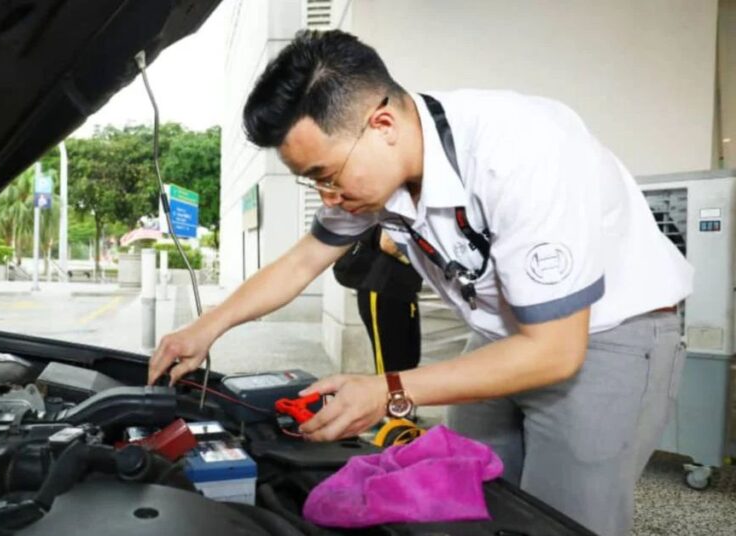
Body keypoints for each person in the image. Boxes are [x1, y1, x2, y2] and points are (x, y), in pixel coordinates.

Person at [147, 29, 692, 535]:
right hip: (501, 337)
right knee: (471, 498)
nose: (328, 198)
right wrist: (204, 328)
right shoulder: (375, 173)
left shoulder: (524, 150)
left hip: (604, 342)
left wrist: (387, 392)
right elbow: (303, 260)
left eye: (326, 176)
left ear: (381, 126)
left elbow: (555, 352)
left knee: (559, 519)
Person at [332, 224, 421, 374]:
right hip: (382, 289)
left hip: (403, 290)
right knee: (390, 366)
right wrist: (422, 263)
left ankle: (401, 396)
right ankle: (389, 397)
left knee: (407, 362)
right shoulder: (392, 206)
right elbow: (388, 244)